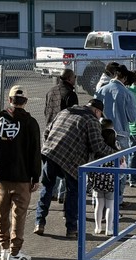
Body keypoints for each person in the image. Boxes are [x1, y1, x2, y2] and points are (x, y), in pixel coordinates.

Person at [34, 98, 118, 238]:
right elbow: (97, 146)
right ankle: (71, 229)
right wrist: (116, 154)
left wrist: (47, 147)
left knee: (47, 188)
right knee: (73, 193)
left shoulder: (65, 111)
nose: (99, 118)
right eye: (100, 114)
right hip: (72, 160)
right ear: (97, 111)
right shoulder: (91, 121)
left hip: (51, 152)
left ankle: (39, 222)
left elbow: (47, 131)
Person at [0, 85, 43, 260]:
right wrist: (35, 176)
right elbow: (35, 152)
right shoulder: (30, 122)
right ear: (25, 101)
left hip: (0, 175)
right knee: (19, 214)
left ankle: (3, 249)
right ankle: (15, 251)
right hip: (22, 176)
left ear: (9, 100)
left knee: (1, 213)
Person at [43, 69, 78, 206]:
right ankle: (61, 195)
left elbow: (46, 110)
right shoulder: (70, 94)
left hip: (50, 130)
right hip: (64, 132)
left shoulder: (51, 91)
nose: (75, 79)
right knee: (65, 164)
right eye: (74, 77)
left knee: (50, 164)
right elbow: (73, 115)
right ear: (69, 78)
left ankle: (51, 192)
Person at [95, 64, 136, 149]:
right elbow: (133, 118)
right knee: (121, 161)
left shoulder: (100, 90)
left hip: (102, 133)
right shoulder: (128, 93)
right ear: (125, 78)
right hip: (121, 134)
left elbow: (94, 112)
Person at [90, 123, 120, 236]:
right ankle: (109, 228)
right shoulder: (116, 153)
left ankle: (98, 227)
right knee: (110, 206)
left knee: (98, 205)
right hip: (111, 183)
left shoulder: (97, 153)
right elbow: (122, 169)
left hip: (97, 182)